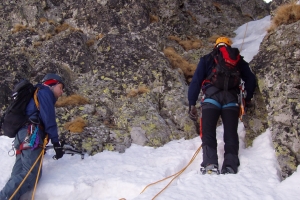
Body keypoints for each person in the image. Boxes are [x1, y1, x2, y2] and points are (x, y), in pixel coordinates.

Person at [188, 37, 256, 174]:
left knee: (208, 132)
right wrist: (247, 99)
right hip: (231, 101)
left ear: (216, 46)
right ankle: (230, 165)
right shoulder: (238, 60)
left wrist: (192, 103)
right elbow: (251, 79)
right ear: (229, 45)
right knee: (230, 133)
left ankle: (210, 164)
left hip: (210, 100)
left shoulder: (207, 58)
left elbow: (195, 82)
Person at [0, 73, 65, 200]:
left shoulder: (35, 94)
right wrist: (56, 143)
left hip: (22, 136)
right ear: (52, 84)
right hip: (31, 134)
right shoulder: (45, 92)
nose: (62, 92)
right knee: (30, 174)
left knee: (19, 174)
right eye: (60, 87)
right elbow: (49, 119)